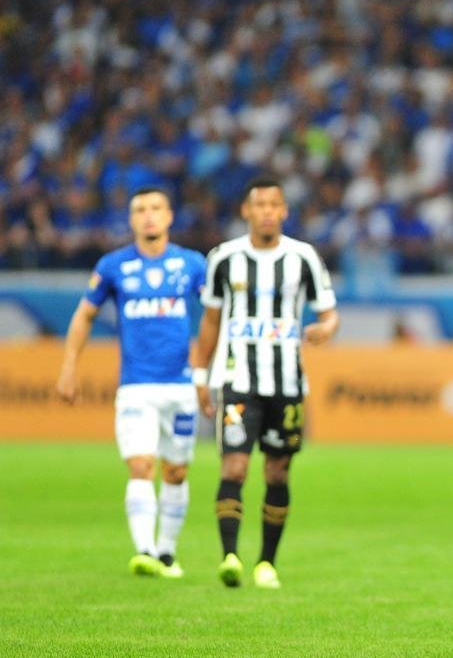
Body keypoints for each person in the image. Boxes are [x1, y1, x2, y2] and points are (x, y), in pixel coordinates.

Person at [192, 176, 339, 589]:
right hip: (237, 379)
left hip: (287, 383)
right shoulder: (223, 258)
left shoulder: (303, 257)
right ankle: (230, 557)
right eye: (260, 204)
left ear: (284, 211)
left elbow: (329, 312)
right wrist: (200, 374)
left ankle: (267, 562)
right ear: (246, 211)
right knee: (234, 466)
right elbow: (210, 320)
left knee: (277, 471)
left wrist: (326, 328)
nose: (268, 211)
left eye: (275, 204)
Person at [55, 186, 206, 578]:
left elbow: (215, 316)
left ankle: (167, 551)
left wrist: (211, 371)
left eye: (156, 208)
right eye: (140, 209)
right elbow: (85, 315)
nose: (149, 216)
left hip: (180, 387)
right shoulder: (113, 266)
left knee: (176, 472)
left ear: (170, 216)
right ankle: (145, 552)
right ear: (131, 219)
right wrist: (70, 366)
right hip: (136, 386)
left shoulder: (192, 265)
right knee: (141, 465)